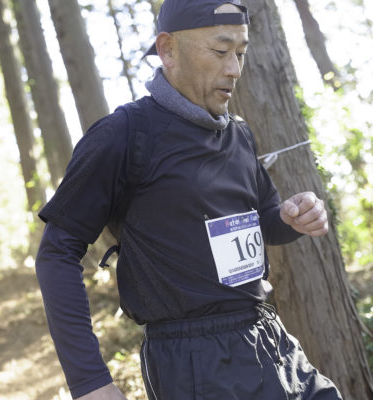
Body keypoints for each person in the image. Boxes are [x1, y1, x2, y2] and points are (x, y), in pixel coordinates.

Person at [35, 0, 343, 399]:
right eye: (220, 50)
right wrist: (90, 381)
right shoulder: (123, 135)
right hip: (193, 363)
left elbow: (265, 220)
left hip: (271, 340)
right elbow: (56, 254)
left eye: (240, 53)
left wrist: (293, 218)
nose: (234, 69)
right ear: (167, 50)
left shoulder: (239, 134)